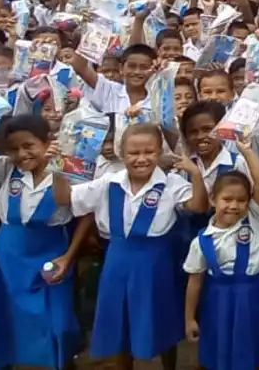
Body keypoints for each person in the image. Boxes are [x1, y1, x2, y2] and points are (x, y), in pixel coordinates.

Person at [0, 114, 87, 370]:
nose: (21, 154)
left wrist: (69, 257)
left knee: (55, 325)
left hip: (50, 255)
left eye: (29, 146)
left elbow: (86, 215)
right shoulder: (6, 168)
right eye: (14, 149)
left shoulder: (70, 169)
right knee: (8, 321)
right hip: (8, 258)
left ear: (48, 142)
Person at [62, 123, 203, 369]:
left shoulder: (171, 184)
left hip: (155, 263)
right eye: (133, 153)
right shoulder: (109, 182)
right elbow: (67, 198)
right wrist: (56, 167)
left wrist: (197, 174)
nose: (141, 159)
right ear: (122, 154)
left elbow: (199, 206)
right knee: (121, 322)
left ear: (159, 152)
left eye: (149, 152)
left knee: (161, 318)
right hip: (117, 261)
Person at [184, 160, 259, 370]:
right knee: (220, 348)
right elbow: (195, 282)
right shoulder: (202, 241)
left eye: (241, 200)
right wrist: (189, 319)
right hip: (218, 301)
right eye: (227, 199)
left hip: (252, 298)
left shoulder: (253, 218)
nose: (234, 205)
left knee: (254, 349)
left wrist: (246, 151)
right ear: (213, 200)